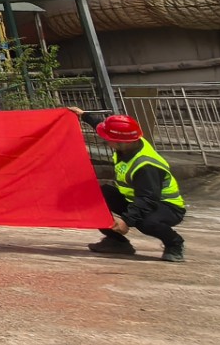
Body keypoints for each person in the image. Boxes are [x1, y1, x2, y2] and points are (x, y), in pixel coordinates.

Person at [80, 112, 187, 262]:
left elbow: (148, 198)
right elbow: (102, 126)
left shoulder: (146, 165)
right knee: (94, 196)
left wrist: (126, 221)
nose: (106, 141)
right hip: (137, 199)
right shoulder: (131, 142)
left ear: (122, 142)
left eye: (109, 139)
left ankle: (174, 243)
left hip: (167, 207)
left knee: (146, 222)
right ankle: (117, 242)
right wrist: (83, 115)